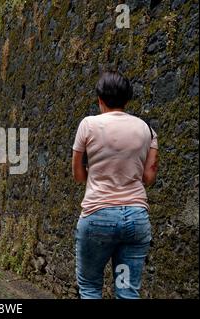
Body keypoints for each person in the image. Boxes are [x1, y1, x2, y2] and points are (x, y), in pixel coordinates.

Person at [72, 71, 158, 299]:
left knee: (90, 287)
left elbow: (78, 175)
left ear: (100, 100)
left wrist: (95, 171)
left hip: (97, 218)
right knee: (127, 290)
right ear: (127, 100)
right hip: (135, 220)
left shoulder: (88, 125)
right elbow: (148, 178)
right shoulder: (147, 130)